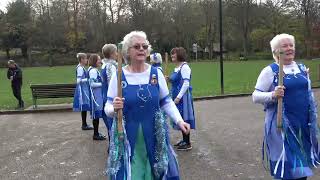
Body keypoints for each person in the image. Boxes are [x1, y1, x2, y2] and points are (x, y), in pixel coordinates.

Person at [104, 31, 190, 180]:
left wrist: (179, 120)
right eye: (136, 46)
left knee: (155, 172)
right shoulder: (119, 76)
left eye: (144, 46)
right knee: (134, 173)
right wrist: (114, 108)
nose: (142, 49)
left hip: (155, 134)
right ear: (127, 51)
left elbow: (166, 101)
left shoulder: (156, 73)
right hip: (128, 137)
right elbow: (107, 107)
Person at [252, 33, 320, 180]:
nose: (289, 48)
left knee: (301, 168)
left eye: (291, 45)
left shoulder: (301, 68)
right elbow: (255, 96)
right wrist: (273, 94)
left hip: (302, 126)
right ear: (276, 51)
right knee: (287, 170)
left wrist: (313, 116)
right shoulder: (270, 71)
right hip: (281, 127)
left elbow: (308, 94)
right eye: (285, 46)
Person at [168, 47, 196, 151]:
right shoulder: (177, 68)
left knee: (185, 117)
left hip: (183, 98)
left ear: (179, 55)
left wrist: (178, 97)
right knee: (179, 117)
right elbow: (176, 81)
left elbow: (186, 83)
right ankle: (184, 139)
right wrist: (169, 79)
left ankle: (187, 142)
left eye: (173, 54)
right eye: (171, 55)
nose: (172, 56)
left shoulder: (184, 67)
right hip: (176, 96)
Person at [101, 44, 118, 142]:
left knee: (110, 125)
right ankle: (114, 149)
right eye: (116, 52)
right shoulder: (111, 66)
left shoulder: (104, 65)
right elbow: (113, 84)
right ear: (111, 54)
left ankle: (112, 146)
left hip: (105, 96)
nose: (117, 54)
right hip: (111, 98)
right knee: (113, 124)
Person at [73, 53, 93, 130]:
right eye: (85, 58)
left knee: (84, 107)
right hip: (82, 90)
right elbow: (78, 80)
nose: (87, 60)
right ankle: (84, 124)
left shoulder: (81, 67)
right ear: (81, 59)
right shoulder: (80, 68)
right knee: (83, 106)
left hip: (83, 89)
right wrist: (88, 79)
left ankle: (84, 124)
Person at [88, 54, 106, 141]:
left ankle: (96, 133)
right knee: (96, 115)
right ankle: (95, 134)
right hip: (96, 96)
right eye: (99, 59)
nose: (100, 61)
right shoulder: (93, 71)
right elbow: (92, 84)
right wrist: (103, 84)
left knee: (97, 115)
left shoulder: (94, 70)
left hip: (97, 95)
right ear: (95, 61)